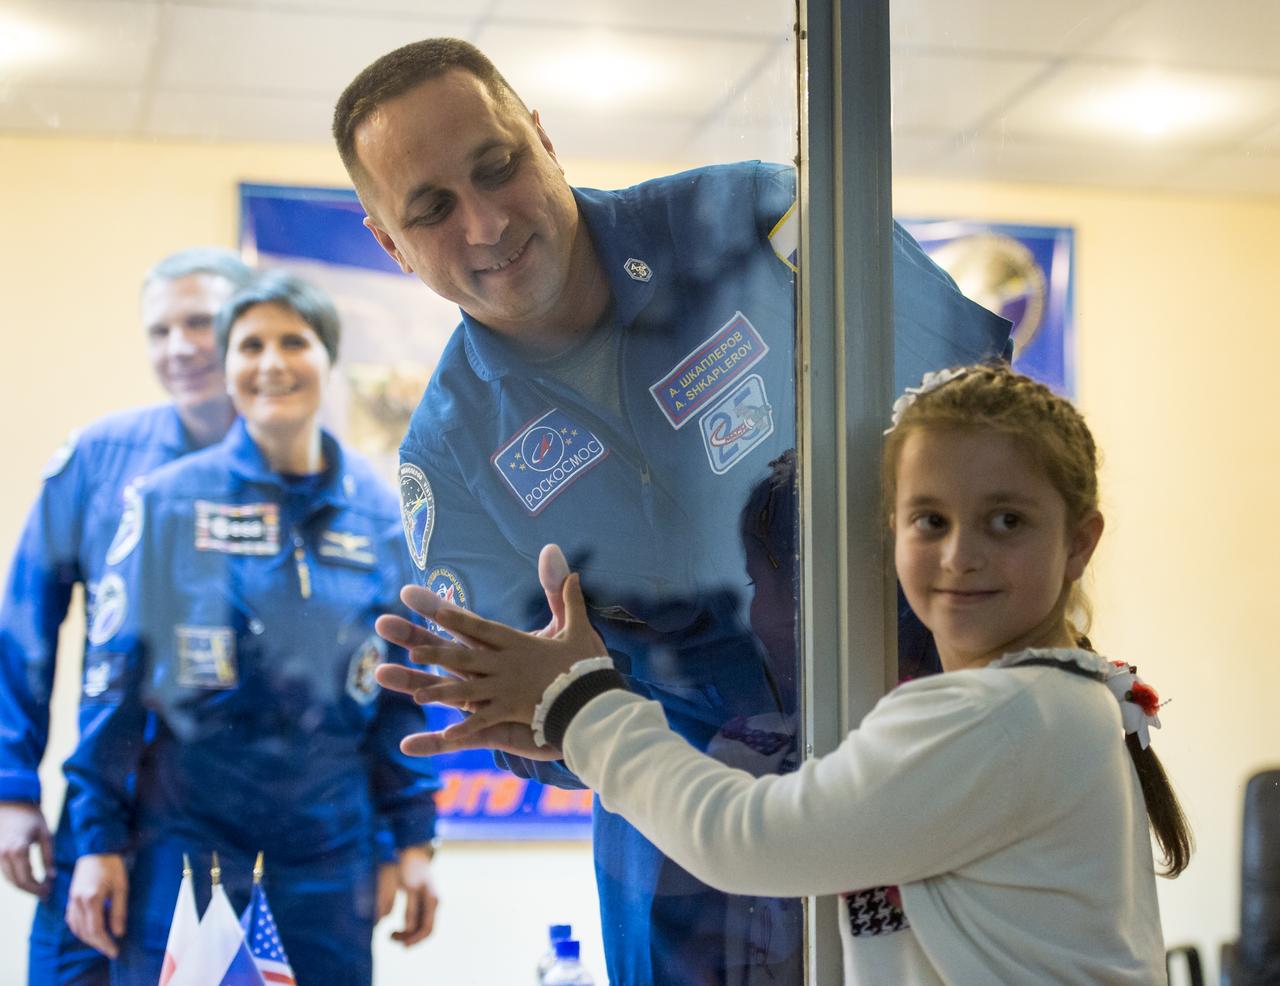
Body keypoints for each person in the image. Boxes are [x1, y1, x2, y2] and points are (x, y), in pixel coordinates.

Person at [332, 37, 1011, 984]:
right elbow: (533, 718)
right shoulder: (448, 459)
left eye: (499, 167)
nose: (487, 223)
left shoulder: (756, 218)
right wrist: (553, 716)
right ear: (389, 244)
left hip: (922, 747)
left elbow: (982, 400)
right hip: (688, 847)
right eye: (433, 209)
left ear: (542, 137)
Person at [379, 362, 1193, 984]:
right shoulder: (1052, 699)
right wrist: (577, 737)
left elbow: (746, 839)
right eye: (930, 520)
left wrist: (583, 704)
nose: (960, 555)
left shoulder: (1005, 713)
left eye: (1005, 521)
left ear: (1080, 542)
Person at [62, 272, 441, 984]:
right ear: (227, 369)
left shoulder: (381, 514)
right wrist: (95, 841)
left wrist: (414, 841)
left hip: (332, 855)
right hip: (187, 841)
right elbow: (111, 679)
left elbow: (400, 695)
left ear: (328, 361)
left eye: (294, 341)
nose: (271, 362)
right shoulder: (169, 504)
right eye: (250, 345)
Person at [0, 247, 253, 984]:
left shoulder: (299, 470)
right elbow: (24, 629)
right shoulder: (97, 458)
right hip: (101, 809)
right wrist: (11, 789)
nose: (179, 347)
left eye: (200, 323)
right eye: (160, 330)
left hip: (235, 819)